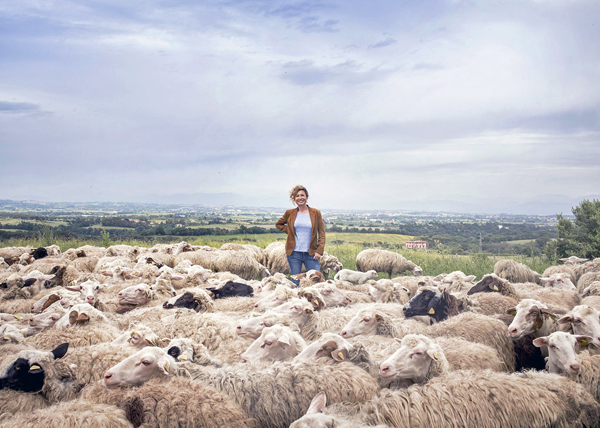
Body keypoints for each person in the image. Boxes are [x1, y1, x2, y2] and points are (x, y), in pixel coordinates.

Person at [276, 185, 326, 287]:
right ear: (294, 199)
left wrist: (319, 251)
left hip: (311, 254)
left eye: (302, 195)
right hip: (294, 254)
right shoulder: (290, 213)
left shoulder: (315, 213)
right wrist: (290, 232)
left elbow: (321, 233)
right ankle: (297, 302)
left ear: (307, 197)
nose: (300, 198)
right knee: (295, 281)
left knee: (317, 281)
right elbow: (279, 224)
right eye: (297, 196)